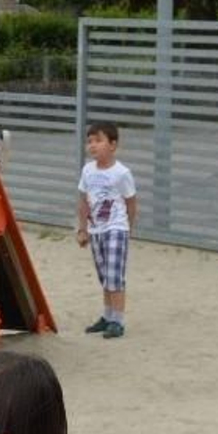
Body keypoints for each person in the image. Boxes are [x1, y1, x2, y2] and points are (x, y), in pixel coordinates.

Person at [75, 121, 139, 339]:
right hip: (96, 230)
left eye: (98, 140)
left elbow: (131, 202)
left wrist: (129, 228)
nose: (92, 145)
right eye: (90, 141)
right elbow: (83, 200)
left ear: (113, 145)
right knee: (104, 276)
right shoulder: (87, 170)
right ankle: (107, 316)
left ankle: (118, 321)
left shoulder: (121, 173)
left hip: (116, 228)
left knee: (114, 276)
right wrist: (82, 229)